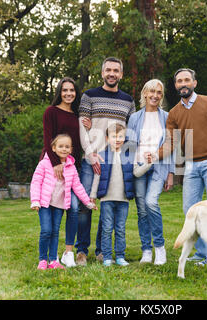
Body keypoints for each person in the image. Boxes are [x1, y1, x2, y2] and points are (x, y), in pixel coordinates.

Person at [157, 68, 207, 266]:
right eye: (179, 81)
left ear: (194, 83)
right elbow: (169, 143)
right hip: (190, 166)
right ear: (175, 85)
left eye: (187, 80)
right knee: (190, 210)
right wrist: (151, 155)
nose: (183, 83)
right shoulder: (173, 113)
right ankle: (201, 254)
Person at [76, 57, 136, 266]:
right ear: (102, 73)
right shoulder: (89, 96)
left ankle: (103, 251)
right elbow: (82, 127)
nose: (112, 73)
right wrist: (90, 153)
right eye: (108, 70)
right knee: (85, 204)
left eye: (116, 70)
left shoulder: (128, 100)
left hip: (115, 160)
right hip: (92, 157)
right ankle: (82, 251)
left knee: (107, 204)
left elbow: (129, 131)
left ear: (121, 74)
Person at [90, 123, 153, 267]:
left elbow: (136, 172)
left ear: (124, 138)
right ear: (107, 138)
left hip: (123, 199)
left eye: (120, 136)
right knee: (106, 228)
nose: (117, 139)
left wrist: (148, 164)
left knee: (120, 228)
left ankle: (119, 256)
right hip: (106, 199)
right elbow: (97, 177)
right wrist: (93, 196)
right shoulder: (103, 155)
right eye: (114, 136)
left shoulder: (129, 155)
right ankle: (106, 257)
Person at [30, 134, 97, 270]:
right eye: (61, 146)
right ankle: (43, 259)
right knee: (46, 231)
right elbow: (36, 182)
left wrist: (87, 202)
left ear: (71, 150)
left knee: (55, 231)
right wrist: (35, 201)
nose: (64, 149)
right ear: (53, 148)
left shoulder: (71, 167)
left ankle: (54, 260)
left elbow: (77, 187)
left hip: (59, 205)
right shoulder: (44, 163)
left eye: (67, 147)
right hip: (44, 204)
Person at [127, 79, 175, 265]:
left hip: (159, 166)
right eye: (152, 91)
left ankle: (160, 248)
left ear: (161, 96)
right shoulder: (134, 118)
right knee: (142, 210)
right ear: (145, 93)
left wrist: (170, 172)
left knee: (151, 202)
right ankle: (146, 250)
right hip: (139, 167)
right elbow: (129, 147)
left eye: (159, 93)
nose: (155, 95)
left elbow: (171, 145)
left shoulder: (167, 117)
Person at [40, 77, 86, 267]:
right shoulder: (51, 112)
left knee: (74, 208)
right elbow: (47, 138)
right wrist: (55, 163)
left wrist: (86, 125)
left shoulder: (77, 115)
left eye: (72, 90)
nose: (69, 93)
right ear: (59, 91)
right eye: (65, 90)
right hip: (54, 167)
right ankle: (48, 256)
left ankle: (68, 252)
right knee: (56, 211)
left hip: (72, 168)